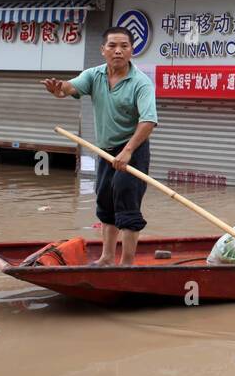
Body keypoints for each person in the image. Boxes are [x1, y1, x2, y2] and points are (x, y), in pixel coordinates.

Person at [42, 26, 158, 267]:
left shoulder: (141, 83)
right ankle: (106, 257)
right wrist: (59, 89)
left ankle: (126, 263)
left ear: (131, 51)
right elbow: (70, 87)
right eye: (112, 46)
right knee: (105, 201)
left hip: (133, 151)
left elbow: (148, 121)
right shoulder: (94, 75)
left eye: (124, 46)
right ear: (103, 50)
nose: (118, 51)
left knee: (127, 204)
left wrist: (127, 151)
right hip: (105, 151)